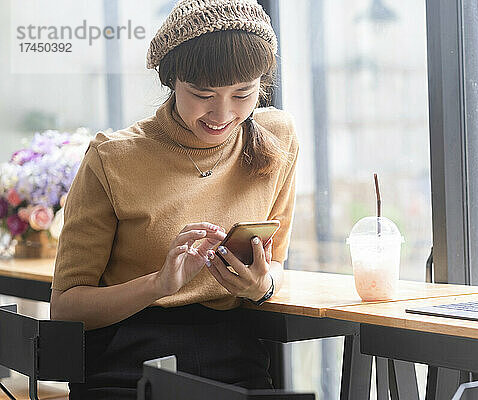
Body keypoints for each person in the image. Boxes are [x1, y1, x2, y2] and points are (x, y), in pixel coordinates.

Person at [49, 0, 298, 398]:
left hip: (236, 359)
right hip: (126, 363)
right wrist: (157, 285)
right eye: (202, 93)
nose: (222, 113)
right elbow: (65, 307)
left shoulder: (277, 138)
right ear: (172, 81)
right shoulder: (113, 158)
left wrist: (261, 286)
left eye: (243, 94)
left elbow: (277, 262)